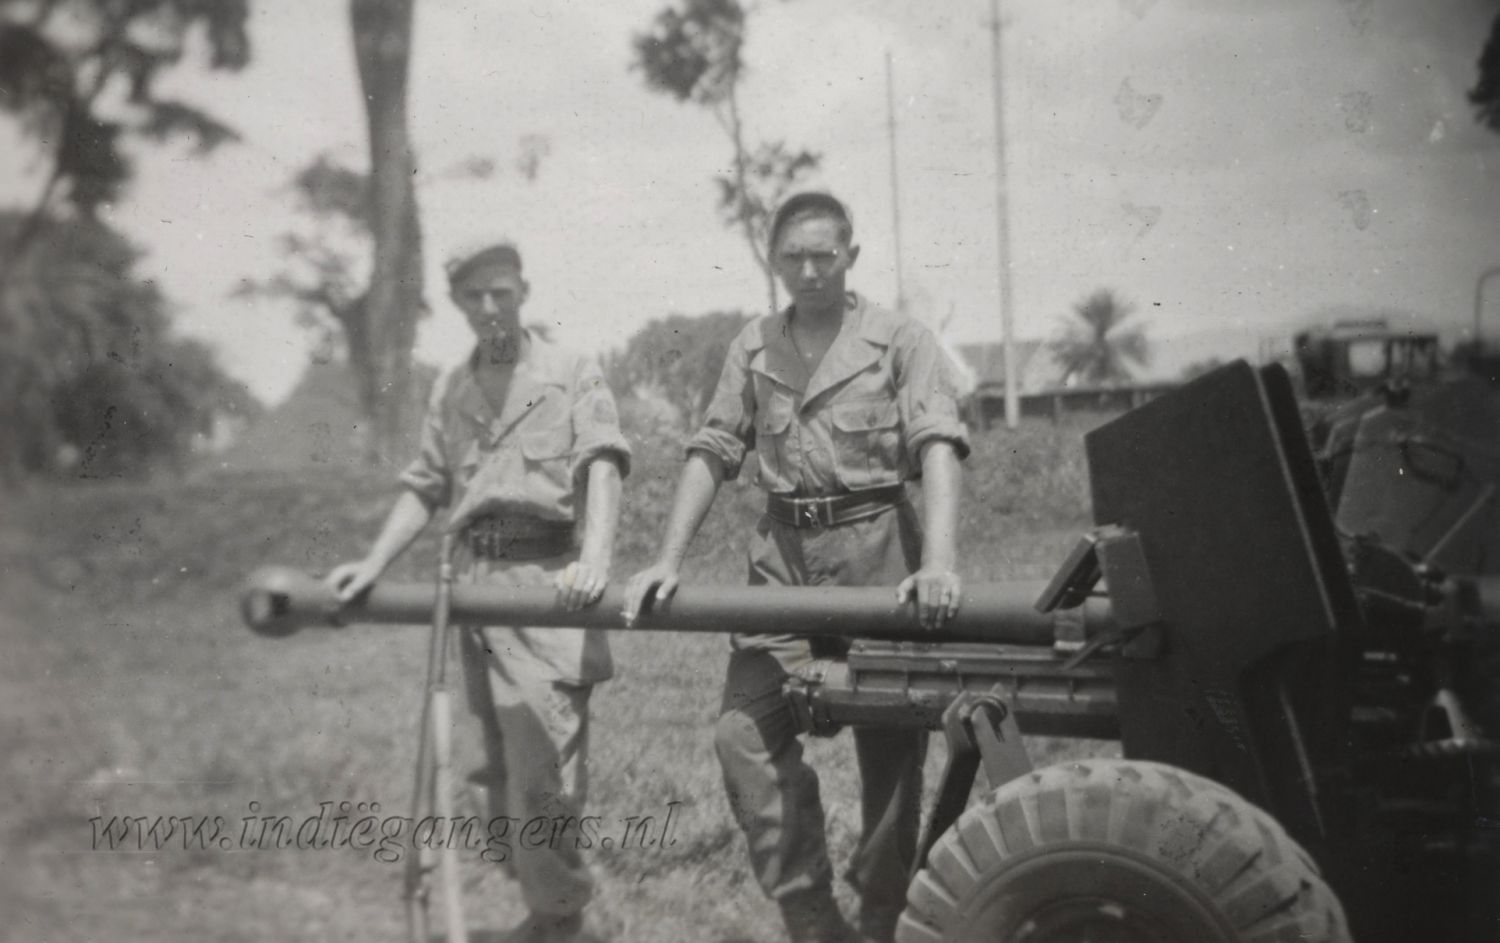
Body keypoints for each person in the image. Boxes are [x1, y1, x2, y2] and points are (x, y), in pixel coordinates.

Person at [622, 192, 969, 943]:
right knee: (740, 736)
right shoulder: (753, 346)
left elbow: (938, 444)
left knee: (893, 759)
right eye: (792, 258)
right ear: (773, 261)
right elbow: (714, 447)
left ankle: (882, 916)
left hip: (879, 556)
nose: (808, 271)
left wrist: (938, 563)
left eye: (823, 255)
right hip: (781, 566)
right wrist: (667, 559)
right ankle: (811, 916)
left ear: (851, 256)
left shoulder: (901, 340)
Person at [327, 240, 629, 943]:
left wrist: (595, 557)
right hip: (471, 587)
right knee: (487, 774)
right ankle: (548, 913)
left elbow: (604, 464)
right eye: (473, 296)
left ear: (524, 289)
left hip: (546, 585)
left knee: (541, 772)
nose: (489, 307)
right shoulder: (452, 387)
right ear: (457, 303)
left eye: (500, 291)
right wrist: (372, 562)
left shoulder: (569, 369)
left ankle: (563, 923)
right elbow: (427, 483)